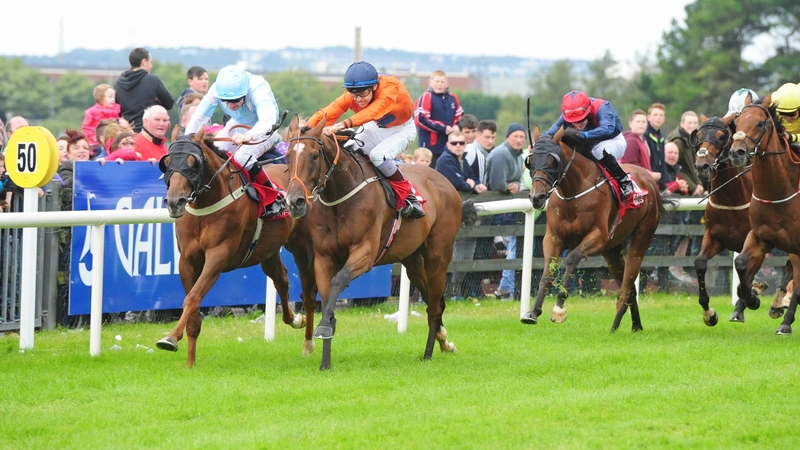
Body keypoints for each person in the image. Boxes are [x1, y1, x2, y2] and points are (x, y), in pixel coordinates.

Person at [307, 61, 424, 219]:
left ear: (375, 87)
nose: (358, 99)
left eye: (362, 94)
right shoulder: (353, 96)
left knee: (378, 155)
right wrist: (306, 131)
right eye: (354, 94)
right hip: (375, 127)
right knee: (348, 151)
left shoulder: (390, 86)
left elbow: (375, 111)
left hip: (402, 129)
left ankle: (409, 195)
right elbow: (328, 112)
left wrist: (342, 125)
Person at [185, 65, 285, 217]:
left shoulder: (258, 87)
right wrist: (188, 142)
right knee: (213, 151)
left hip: (265, 130)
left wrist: (249, 135)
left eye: (236, 100)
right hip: (237, 124)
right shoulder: (216, 89)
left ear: (245, 92)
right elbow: (198, 118)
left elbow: (268, 120)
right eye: (226, 101)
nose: (231, 105)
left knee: (241, 156)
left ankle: (274, 197)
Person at [545, 91, 632, 199]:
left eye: (581, 120)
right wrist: (539, 143)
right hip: (589, 142)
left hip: (613, 140)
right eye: (573, 122)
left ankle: (624, 180)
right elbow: (552, 131)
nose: (577, 124)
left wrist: (584, 135)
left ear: (588, 111)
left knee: (598, 151)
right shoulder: (570, 111)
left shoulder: (602, 107)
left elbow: (608, 128)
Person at [485, 123, 528, 299]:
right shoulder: (501, 154)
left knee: (513, 248)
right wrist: (510, 186)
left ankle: (507, 286)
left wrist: (516, 185)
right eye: (515, 136)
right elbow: (497, 184)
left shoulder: (518, 155)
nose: (518, 140)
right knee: (505, 249)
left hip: (510, 208)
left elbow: (518, 180)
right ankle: (505, 287)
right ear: (508, 137)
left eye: (522, 137)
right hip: (494, 209)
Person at [114, 47, 174, 132]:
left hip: (128, 133)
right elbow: (169, 103)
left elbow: (117, 111)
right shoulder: (153, 80)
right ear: (144, 62)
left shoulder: (119, 83)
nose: (151, 66)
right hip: (150, 132)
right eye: (151, 62)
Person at [413, 70, 463, 167]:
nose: (439, 84)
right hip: (429, 146)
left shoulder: (452, 97)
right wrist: (444, 128)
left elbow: (460, 114)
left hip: (448, 145)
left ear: (447, 83)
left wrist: (457, 126)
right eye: (437, 81)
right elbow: (420, 119)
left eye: (442, 82)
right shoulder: (426, 97)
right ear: (430, 82)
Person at [667, 111, 704, 197]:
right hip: (683, 189)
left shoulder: (692, 138)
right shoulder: (678, 141)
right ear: (682, 124)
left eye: (695, 123)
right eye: (689, 123)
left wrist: (699, 183)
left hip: (694, 186)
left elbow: (693, 165)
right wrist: (693, 187)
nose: (693, 125)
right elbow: (677, 168)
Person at [81, 84, 128, 151]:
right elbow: (86, 127)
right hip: (95, 143)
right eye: (110, 97)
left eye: (114, 97)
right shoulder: (91, 112)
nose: (113, 99)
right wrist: (93, 137)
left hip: (112, 142)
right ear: (100, 99)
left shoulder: (115, 112)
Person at [621, 109, 661, 182]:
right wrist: (651, 175)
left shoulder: (643, 141)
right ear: (630, 124)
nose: (641, 124)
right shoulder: (631, 141)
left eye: (643, 122)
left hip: (644, 181)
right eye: (638, 121)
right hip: (636, 182)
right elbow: (632, 166)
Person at [464, 119, 497, 184]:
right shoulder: (469, 151)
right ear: (477, 135)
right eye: (487, 137)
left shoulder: (496, 153)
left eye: (493, 137)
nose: (490, 141)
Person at [770, 83, 800, 150]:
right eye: (783, 114)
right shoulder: (773, 106)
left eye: (792, 114)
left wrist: (791, 137)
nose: (788, 119)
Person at [645, 103, 667, 191]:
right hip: (648, 178)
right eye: (655, 115)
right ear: (648, 117)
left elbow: (662, 161)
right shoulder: (645, 134)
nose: (658, 117)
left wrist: (663, 185)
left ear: (664, 119)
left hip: (658, 179)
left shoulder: (661, 136)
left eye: (661, 115)